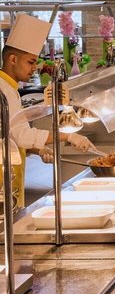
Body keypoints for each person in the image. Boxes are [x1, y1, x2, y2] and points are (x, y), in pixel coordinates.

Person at [0, 14, 97, 207]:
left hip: (11, 169)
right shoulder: (4, 91)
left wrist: (38, 149)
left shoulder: (10, 88)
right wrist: (68, 136)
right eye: (30, 62)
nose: (34, 68)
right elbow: (20, 135)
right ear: (12, 59)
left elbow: (10, 134)